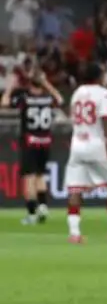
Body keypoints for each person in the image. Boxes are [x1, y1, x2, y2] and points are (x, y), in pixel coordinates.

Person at [65, 62, 107, 243]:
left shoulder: (77, 93)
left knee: (75, 189)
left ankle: (74, 234)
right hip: (97, 146)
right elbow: (106, 123)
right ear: (99, 76)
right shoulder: (104, 94)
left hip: (77, 145)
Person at [2, 67, 62, 225]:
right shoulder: (47, 98)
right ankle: (43, 206)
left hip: (29, 142)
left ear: (29, 82)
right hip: (45, 142)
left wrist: (10, 88)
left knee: (29, 178)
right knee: (40, 176)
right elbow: (60, 99)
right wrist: (47, 84)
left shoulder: (25, 98)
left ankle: (31, 214)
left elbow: (5, 103)